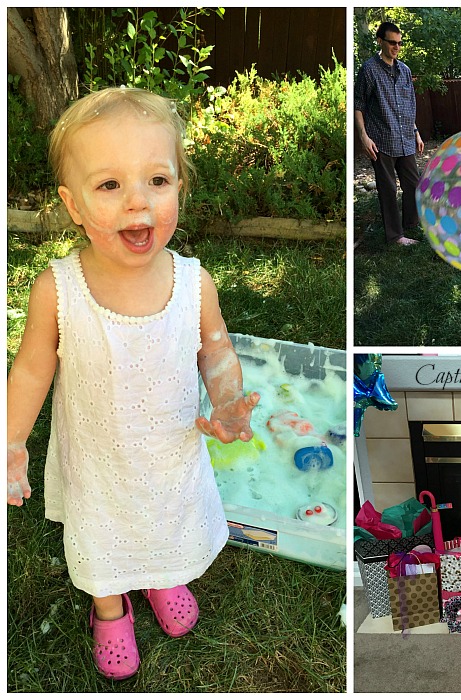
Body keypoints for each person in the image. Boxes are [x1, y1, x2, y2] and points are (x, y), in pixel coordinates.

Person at [6, 87, 261, 680]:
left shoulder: (195, 283)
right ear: (72, 205)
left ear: (179, 187)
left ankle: (162, 574)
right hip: (98, 458)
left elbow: (216, 349)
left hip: (169, 448)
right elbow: (32, 369)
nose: (137, 202)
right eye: (109, 185)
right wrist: (12, 439)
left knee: (166, 517)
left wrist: (226, 400)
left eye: (157, 180)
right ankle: (109, 604)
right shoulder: (58, 290)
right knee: (105, 531)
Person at [354, 21, 424, 246]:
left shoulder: (405, 71)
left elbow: (409, 104)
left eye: (399, 43)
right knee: (388, 189)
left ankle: (412, 225)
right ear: (380, 41)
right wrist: (364, 136)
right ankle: (395, 236)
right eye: (392, 42)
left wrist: (416, 132)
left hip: (405, 138)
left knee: (413, 184)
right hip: (381, 140)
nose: (396, 47)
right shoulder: (369, 69)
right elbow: (358, 104)